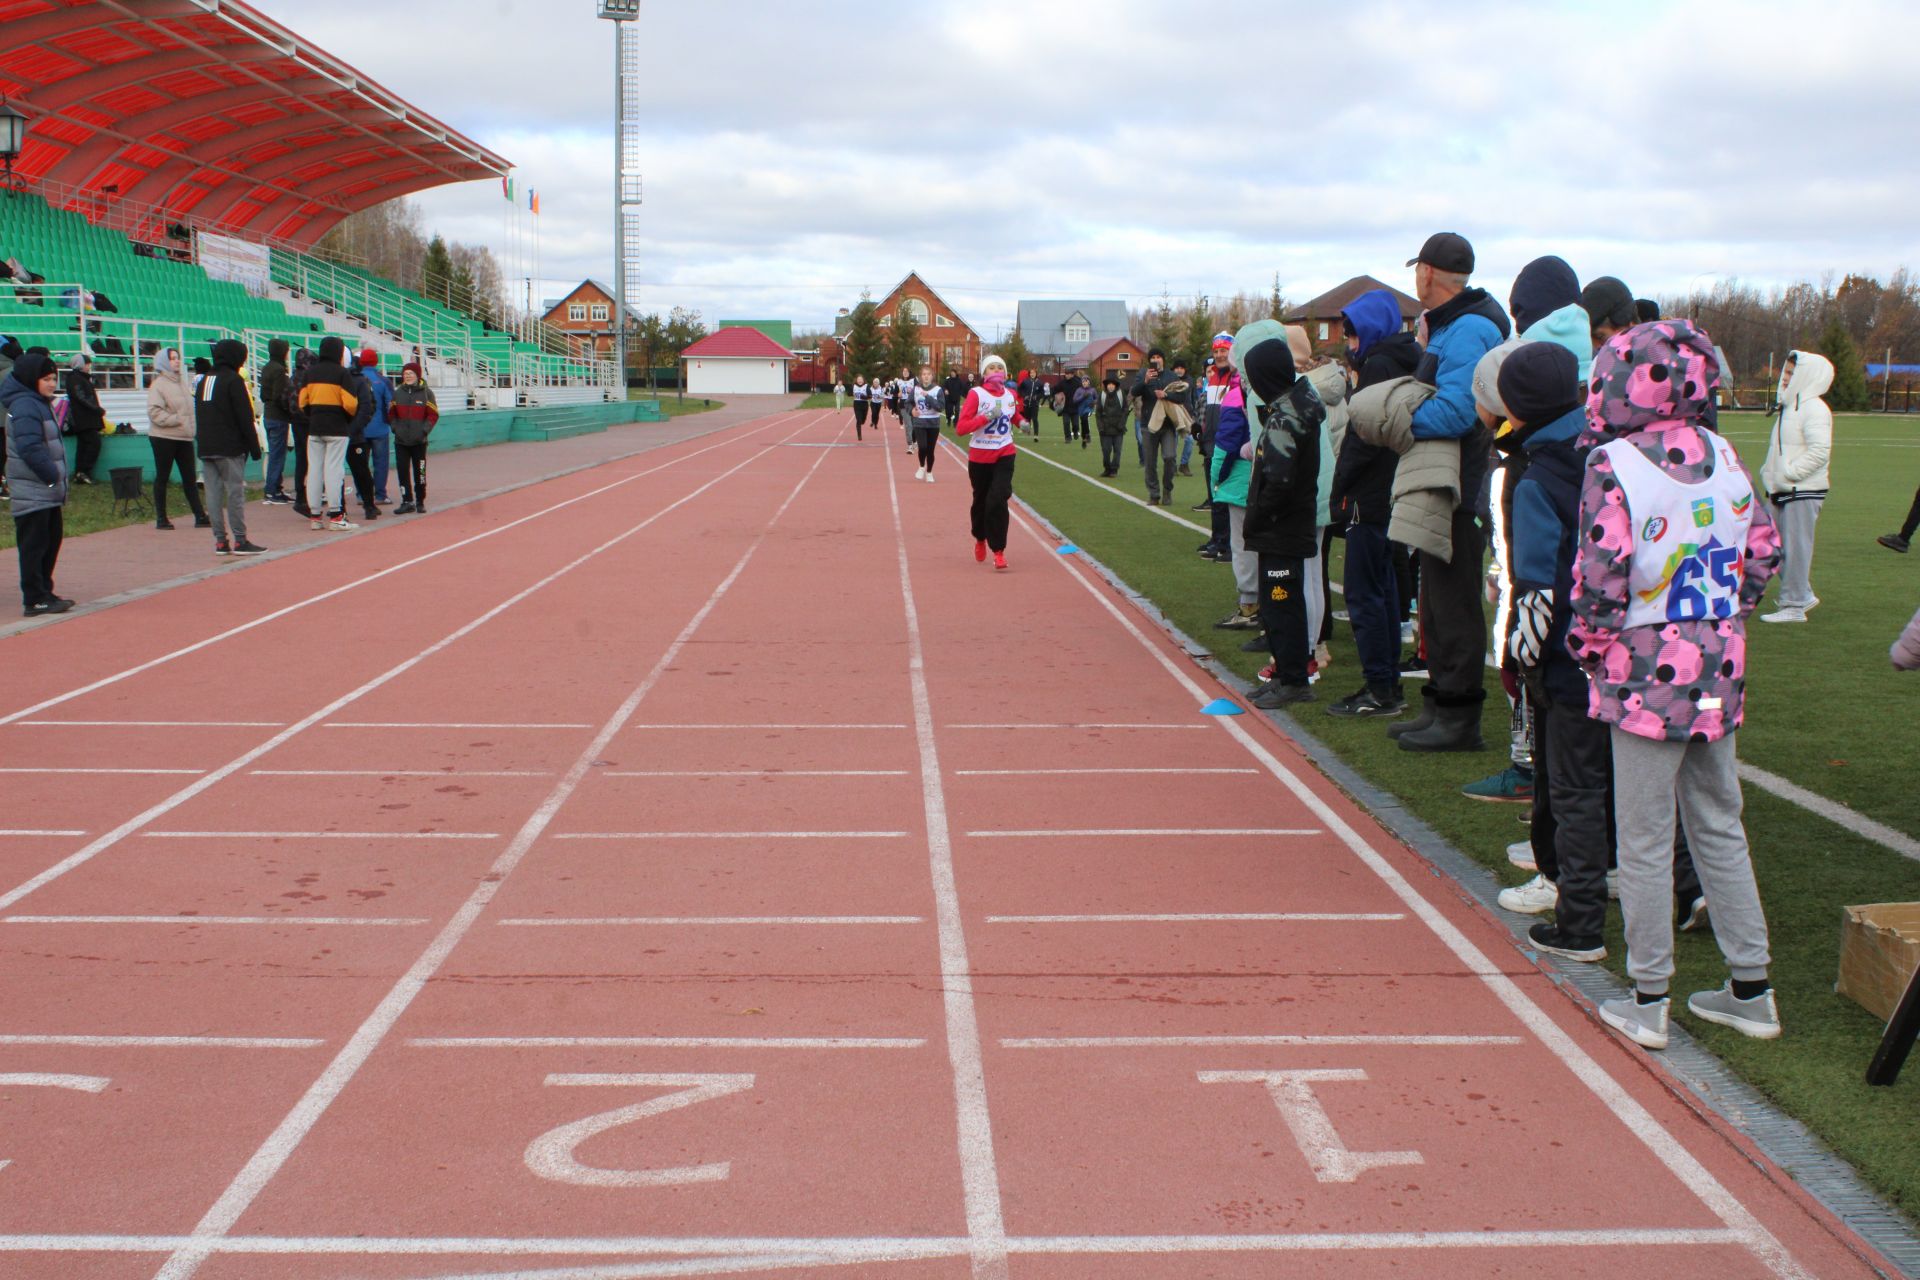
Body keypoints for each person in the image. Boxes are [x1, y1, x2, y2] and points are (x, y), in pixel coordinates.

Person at [1572, 319, 1784, 1050]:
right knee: (1720, 818)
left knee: (1645, 833)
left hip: (1641, 666)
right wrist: (1718, 621)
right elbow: (1764, 554)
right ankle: (1750, 986)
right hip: (1718, 659)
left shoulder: (1613, 461)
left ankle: (1649, 994)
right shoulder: (1725, 451)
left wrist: (1591, 644)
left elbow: (1600, 575)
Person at [1494, 341, 1613, 962]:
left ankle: (1579, 918)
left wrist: (1522, 660)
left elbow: (1538, 584)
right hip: (1636, 649)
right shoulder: (1610, 450)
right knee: (1622, 782)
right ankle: (1657, 888)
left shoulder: (1540, 476)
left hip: (1569, 657)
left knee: (1569, 789)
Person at [1466, 255, 1589, 801]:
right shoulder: (1595, 361)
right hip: (1606, 600)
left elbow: (1534, 576)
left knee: (1533, 659)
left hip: (1550, 585)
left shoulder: (1535, 460)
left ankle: (1530, 769)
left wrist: (1523, 648)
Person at [1391, 232, 1511, 752]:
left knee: (1455, 596)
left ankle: (1460, 715)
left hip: (1462, 480)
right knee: (1436, 597)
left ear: (1428, 273)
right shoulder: (1452, 326)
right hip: (1444, 478)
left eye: (1416, 268)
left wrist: (1395, 414)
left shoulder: (1467, 329)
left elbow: (1461, 412)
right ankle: (1440, 702)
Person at [1327, 290, 1420, 717]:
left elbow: (1363, 434)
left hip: (1370, 492)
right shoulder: (1400, 360)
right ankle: (1386, 683)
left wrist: (1341, 485)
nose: (1349, 344)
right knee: (1380, 589)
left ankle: (1380, 686)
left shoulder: (1379, 366)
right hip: (1388, 489)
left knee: (1366, 592)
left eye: (1351, 335)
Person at [1239, 336, 1325, 710]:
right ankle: (1287, 674)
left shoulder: (1284, 420)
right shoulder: (1290, 411)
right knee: (1279, 605)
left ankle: (1293, 679)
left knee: (1280, 604)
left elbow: (1279, 480)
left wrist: (1258, 516)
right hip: (1284, 527)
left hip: (1281, 529)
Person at [1758, 350, 1832, 623]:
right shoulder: (1789, 407)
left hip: (1801, 491)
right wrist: (1770, 473)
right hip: (1782, 489)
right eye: (1786, 372)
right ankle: (1802, 593)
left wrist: (1790, 474)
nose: (1786, 378)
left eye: (1792, 373)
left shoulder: (1813, 408)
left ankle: (1794, 604)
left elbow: (1819, 451)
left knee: (1796, 547)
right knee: (1771, 544)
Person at [3, 351, 73, 616]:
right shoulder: (25, 406)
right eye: (46, 378)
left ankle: (45, 591)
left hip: (45, 490)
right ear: (32, 379)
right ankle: (34, 598)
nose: (52, 383)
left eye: (54, 378)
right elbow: (30, 447)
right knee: (34, 546)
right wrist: (51, 475)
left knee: (50, 541)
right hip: (34, 489)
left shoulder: (38, 403)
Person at [194, 338, 265, 557]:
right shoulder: (233, 381)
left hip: (206, 446)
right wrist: (254, 447)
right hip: (230, 447)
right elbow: (244, 416)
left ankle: (220, 542)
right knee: (235, 493)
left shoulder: (205, 380)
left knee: (213, 495)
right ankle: (240, 540)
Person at [956, 354, 1023, 570]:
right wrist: (985, 417)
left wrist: (1022, 422)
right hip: (979, 456)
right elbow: (961, 428)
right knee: (981, 501)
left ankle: (999, 551)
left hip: (1004, 453)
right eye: (991, 368)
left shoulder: (1011, 394)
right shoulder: (976, 394)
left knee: (998, 499)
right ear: (984, 374)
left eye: (999, 367)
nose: (996, 371)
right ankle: (980, 537)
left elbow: (1013, 414)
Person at [144, 348, 209, 532]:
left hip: (184, 437)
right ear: (164, 362)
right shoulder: (158, 385)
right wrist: (177, 420)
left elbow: (189, 409)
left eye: (178, 358)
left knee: (189, 477)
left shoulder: (182, 382)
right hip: (164, 437)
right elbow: (154, 412)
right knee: (162, 476)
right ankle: (161, 517)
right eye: (172, 359)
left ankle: (199, 515)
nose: (177, 361)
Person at [299, 336, 360, 532]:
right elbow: (351, 404)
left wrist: (313, 414)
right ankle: (336, 516)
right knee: (334, 470)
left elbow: (302, 403)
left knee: (314, 470)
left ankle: (315, 516)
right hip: (337, 428)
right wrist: (346, 418)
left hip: (315, 427)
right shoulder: (342, 374)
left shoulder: (310, 373)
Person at [1137, 348, 1186, 506]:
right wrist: (1144, 381)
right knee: (1150, 462)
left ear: (1163, 359)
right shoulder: (1144, 374)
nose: (1156, 359)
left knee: (1170, 457)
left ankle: (1167, 490)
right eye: (1153, 357)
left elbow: (1181, 397)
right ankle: (1154, 494)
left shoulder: (1172, 376)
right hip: (1148, 425)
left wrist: (1166, 395)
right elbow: (1133, 391)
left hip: (1167, 425)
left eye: (1159, 357)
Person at [389, 362, 438, 514]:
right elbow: (391, 414)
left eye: (411, 373)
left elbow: (433, 415)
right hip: (401, 441)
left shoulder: (426, 393)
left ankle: (420, 500)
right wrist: (395, 429)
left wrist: (424, 431)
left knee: (420, 472)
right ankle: (406, 500)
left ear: (417, 375)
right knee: (402, 471)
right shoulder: (397, 393)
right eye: (405, 374)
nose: (408, 376)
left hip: (419, 442)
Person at [354, 349, 394, 506]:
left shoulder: (355, 379)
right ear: (376, 362)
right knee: (380, 463)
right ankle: (380, 495)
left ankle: (361, 494)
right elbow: (390, 404)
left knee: (360, 463)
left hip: (360, 428)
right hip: (380, 428)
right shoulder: (383, 380)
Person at [259, 338, 294, 505]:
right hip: (278, 416)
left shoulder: (266, 367)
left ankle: (274, 488)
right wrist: (290, 410)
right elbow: (280, 396)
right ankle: (272, 490)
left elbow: (263, 394)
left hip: (268, 414)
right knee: (277, 454)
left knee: (275, 452)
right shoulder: (280, 370)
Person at [63, 353, 105, 485]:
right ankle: (84, 471)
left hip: (85, 418)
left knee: (83, 446)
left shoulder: (80, 378)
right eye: (87, 364)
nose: (88, 366)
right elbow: (81, 397)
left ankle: (80, 473)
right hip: (83, 418)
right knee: (93, 443)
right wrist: (96, 409)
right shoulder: (76, 378)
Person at [910, 364, 944, 482]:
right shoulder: (916, 389)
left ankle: (929, 472)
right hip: (920, 423)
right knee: (922, 447)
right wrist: (912, 410)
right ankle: (921, 466)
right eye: (924, 374)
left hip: (933, 423)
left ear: (932, 376)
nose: (926, 377)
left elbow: (940, 407)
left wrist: (928, 397)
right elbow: (908, 403)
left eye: (928, 374)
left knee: (930, 450)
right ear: (920, 376)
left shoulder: (938, 390)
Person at [1095, 373, 1128, 477]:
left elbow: (1125, 409)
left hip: (1119, 429)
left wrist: (1122, 424)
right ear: (1106, 385)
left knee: (1117, 451)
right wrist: (1100, 427)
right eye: (1108, 384)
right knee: (1106, 451)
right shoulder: (1102, 395)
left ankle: (1114, 470)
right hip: (1105, 429)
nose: (1110, 386)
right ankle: (1107, 468)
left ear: (1116, 385)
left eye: (1112, 384)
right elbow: (1098, 413)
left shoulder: (1121, 394)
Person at [851, 374, 870, 440]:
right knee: (858, 420)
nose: (860, 381)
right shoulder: (854, 386)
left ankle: (863, 421)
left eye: (861, 379)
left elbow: (870, 396)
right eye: (858, 379)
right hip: (857, 404)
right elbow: (849, 393)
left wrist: (864, 397)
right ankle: (859, 435)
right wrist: (851, 393)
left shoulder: (866, 386)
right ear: (856, 380)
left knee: (863, 420)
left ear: (863, 380)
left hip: (864, 404)